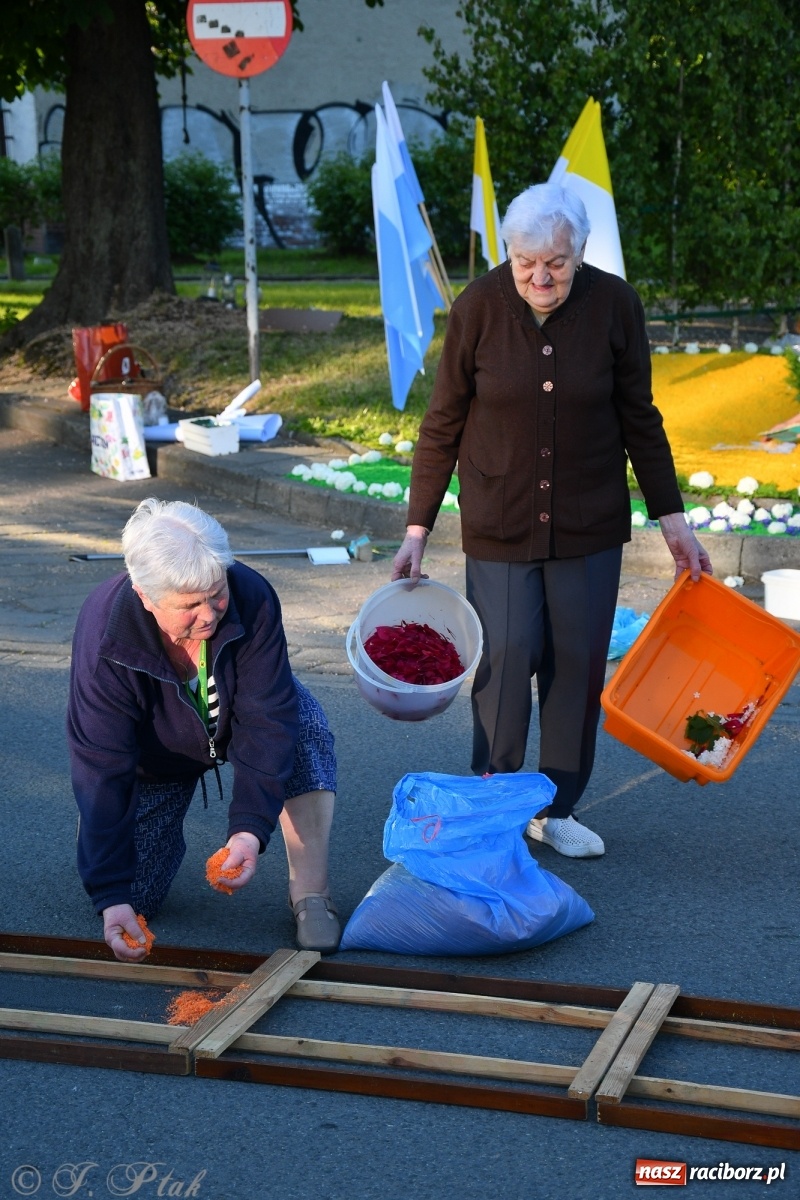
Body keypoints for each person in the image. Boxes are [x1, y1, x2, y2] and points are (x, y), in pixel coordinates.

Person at [393, 183, 711, 859]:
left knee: (576, 667)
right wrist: (417, 527)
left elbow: (639, 419)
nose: (541, 276)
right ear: (508, 252)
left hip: (589, 525)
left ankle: (556, 808)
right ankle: (497, 799)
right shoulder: (478, 307)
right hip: (499, 524)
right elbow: (442, 420)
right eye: (525, 261)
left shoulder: (616, 306)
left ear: (581, 252)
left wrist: (673, 518)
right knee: (505, 660)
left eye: (557, 263)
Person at [67, 498, 340, 961]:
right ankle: (112, 858)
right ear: (145, 596)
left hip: (234, 719)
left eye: (216, 593)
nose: (210, 613)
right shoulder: (106, 640)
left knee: (305, 723)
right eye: (189, 605)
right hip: (153, 758)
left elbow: (267, 718)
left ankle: (311, 893)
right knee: (137, 897)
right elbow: (101, 767)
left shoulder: (251, 595)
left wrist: (248, 831)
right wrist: (111, 894)